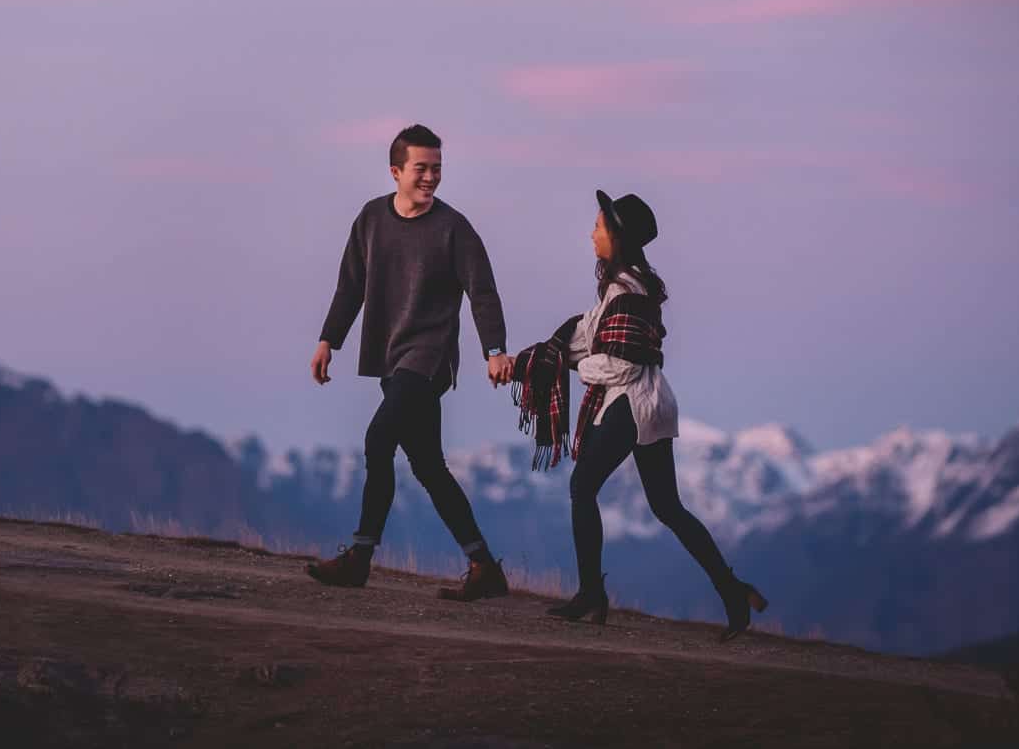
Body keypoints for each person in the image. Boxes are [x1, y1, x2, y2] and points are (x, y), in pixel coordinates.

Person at [509, 190, 768, 640]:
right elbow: (585, 334)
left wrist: (576, 367)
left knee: (582, 486)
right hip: (650, 402)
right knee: (667, 506)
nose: (592, 233)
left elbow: (620, 363)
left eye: (598, 226)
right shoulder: (623, 287)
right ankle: (732, 591)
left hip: (632, 402)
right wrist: (524, 362)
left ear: (617, 237)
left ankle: (591, 593)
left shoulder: (626, 291)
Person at [306, 123, 514, 601]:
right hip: (388, 355)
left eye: (437, 169)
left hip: (429, 357)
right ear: (395, 170)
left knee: (379, 439)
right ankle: (484, 566)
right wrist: (327, 341)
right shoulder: (370, 219)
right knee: (427, 466)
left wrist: (495, 350)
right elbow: (350, 287)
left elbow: (482, 291)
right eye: (421, 168)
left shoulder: (454, 228)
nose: (431, 178)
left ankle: (359, 557)